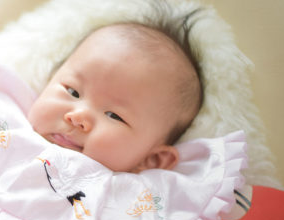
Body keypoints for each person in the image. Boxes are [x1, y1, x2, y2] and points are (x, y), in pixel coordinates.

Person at [28, 16, 202, 174]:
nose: (78, 117)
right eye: (72, 91)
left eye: (114, 116)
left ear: (151, 159)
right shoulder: (6, 119)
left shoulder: (132, 199)